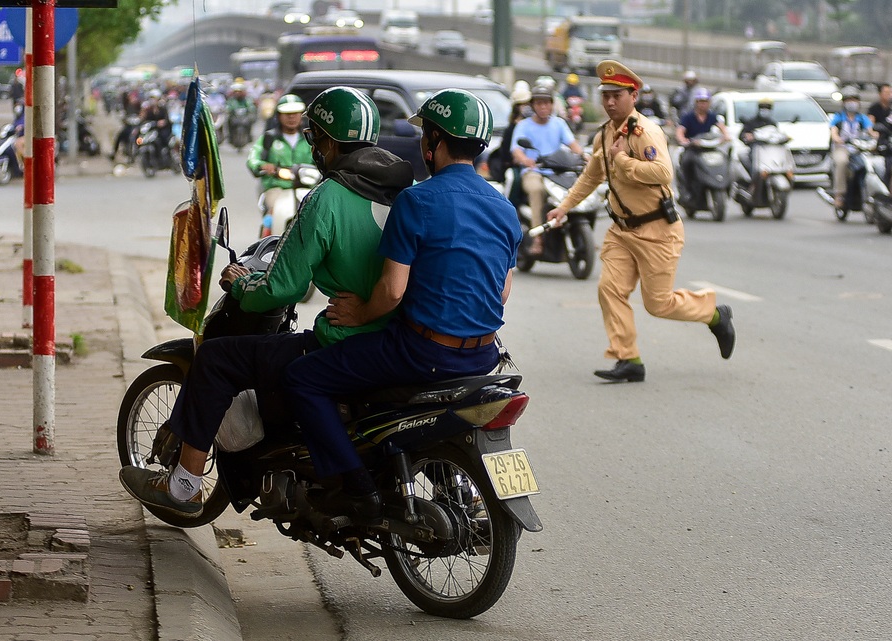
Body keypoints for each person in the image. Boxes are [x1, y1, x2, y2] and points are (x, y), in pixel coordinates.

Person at [118, 87, 415, 517]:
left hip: (346, 340)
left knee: (218, 359)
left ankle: (183, 486)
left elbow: (283, 288)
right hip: (399, 340)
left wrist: (241, 285)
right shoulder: (406, 192)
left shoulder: (328, 197)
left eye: (317, 139)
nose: (314, 147)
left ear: (329, 142)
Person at [283, 89, 522, 520]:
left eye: (424, 136)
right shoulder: (504, 208)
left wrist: (358, 313)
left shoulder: (417, 200)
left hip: (424, 353)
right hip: (484, 355)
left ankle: (357, 490)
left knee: (303, 378)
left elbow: (392, 292)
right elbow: (502, 292)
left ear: (434, 142)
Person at [545, 60, 735, 383]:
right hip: (622, 230)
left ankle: (715, 315)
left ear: (633, 96)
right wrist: (564, 206)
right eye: (605, 95)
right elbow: (590, 177)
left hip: (657, 230)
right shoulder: (604, 135)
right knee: (609, 289)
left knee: (658, 304)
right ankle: (628, 358)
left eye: (616, 95)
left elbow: (663, 172)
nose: (609, 102)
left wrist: (623, 160)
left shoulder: (645, 132)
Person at [511, 84, 585, 254]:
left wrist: (584, 156)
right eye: (539, 103)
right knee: (537, 190)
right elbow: (516, 150)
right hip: (534, 172)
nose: (543, 107)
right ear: (533, 105)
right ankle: (538, 238)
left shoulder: (559, 124)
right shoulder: (523, 126)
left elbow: (573, 144)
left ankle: (577, 230)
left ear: (552, 104)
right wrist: (526, 160)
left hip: (557, 172)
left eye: (546, 103)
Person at [246, 94, 313, 217]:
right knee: (273, 214)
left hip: (310, 189)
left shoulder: (311, 139)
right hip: (277, 188)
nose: (291, 117)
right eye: (286, 113)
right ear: (278, 115)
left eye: (295, 112)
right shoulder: (269, 138)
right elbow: (253, 158)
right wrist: (262, 166)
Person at [675, 87, 731, 189]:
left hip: (708, 148)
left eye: (705, 102)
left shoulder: (712, 116)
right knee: (686, 162)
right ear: (696, 102)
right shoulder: (688, 116)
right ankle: (687, 187)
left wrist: (726, 136)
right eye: (701, 102)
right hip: (693, 148)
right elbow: (680, 131)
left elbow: (722, 127)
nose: (703, 104)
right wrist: (683, 140)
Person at [830, 89, 875, 209]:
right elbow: (833, 131)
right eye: (849, 100)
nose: (852, 103)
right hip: (842, 148)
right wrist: (837, 138)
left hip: (859, 149)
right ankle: (839, 194)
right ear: (844, 102)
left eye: (854, 100)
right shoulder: (839, 117)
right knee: (842, 162)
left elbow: (871, 131)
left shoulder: (862, 118)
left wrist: (878, 135)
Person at [738, 97, 778, 175]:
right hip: (756, 150)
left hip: (770, 151)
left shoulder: (772, 123)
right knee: (756, 167)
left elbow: (776, 135)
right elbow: (741, 136)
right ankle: (754, 183)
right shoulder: (751, 122)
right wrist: (747, 137)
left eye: (767, 108)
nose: (765, 110)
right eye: (763, 107)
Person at [868, 83, 892, 186]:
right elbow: (870, 124)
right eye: (886, 92)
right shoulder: (874, 108)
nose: (889, 95)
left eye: (890, 92)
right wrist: (873, 133)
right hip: (883, 141)